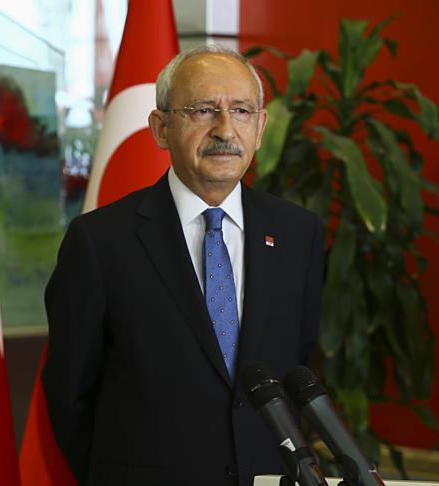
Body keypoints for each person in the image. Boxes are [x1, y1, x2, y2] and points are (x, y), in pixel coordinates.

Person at [42, 44, 324, 486]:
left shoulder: (298, 233)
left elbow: (298, 369)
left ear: (260, 127)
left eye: (241, 111)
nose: (225, 129)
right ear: (161, 128)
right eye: (203, 110)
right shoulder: (99, 240)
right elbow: (69, 393)